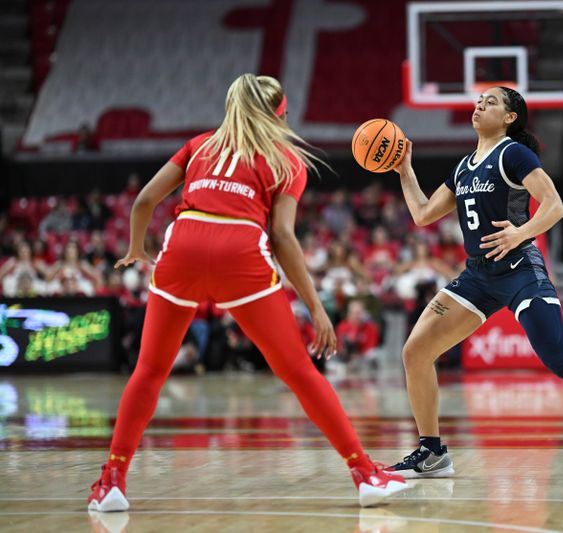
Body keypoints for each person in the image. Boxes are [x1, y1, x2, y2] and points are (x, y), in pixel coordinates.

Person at [87, 74, 406, 512]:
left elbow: (144, 200)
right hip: (239, 248)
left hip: (182, 243)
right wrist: (316, 307)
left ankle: (113, 483)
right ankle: (365, 474)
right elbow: (283, 237)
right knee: (298, 372)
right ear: (278, 115)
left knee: (149, 371)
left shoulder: (200, 144)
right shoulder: (285, 159)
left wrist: (136, 248)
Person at [388, 86, 563, 482]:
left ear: (509, 118)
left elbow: (555, 206)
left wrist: (520, 233)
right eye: (479, 100)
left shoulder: (513, 154)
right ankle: (431, 452)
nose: (480, 104)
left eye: (491, 102)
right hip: (478, 276)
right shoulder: (465, 166)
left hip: (520, 268)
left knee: (560, 358)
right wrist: (405, 170)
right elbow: (421, 214)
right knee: (416, 352)